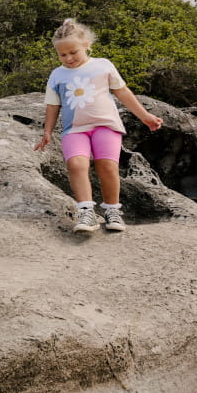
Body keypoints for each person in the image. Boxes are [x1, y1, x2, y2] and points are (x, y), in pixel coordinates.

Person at [35, 18, 163, 233]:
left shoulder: (103, 65)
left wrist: (145, 116)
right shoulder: (57, 75)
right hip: (74, 129)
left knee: (107, 166)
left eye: (73, 52)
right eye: (62, 55)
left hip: (106, 125)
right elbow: (53, 105)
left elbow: (122, 92)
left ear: (85, 44)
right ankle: (86, 213)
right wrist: (47, 131)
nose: (68, 58)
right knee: (76, 164)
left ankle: (112, 211)